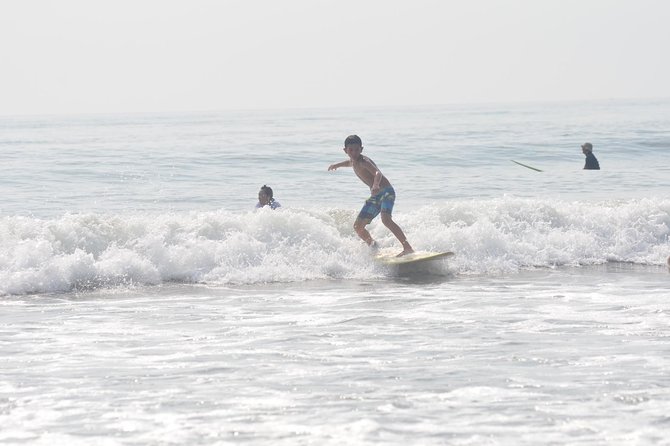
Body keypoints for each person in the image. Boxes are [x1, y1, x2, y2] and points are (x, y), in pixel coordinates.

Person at [328, 134, 414, 257]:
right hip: (376, 197)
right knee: (358, 227)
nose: (354, 152)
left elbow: (377, 173)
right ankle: (373, 245)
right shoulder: (353, 161)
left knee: (386, 220)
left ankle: (408, 248)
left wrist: (375, 185)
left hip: (386, 192)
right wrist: (337, 165)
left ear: (361, 149)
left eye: (357, 150)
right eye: (350, 150)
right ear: (345, 150)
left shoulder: (364, 161)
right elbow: (349, 163)